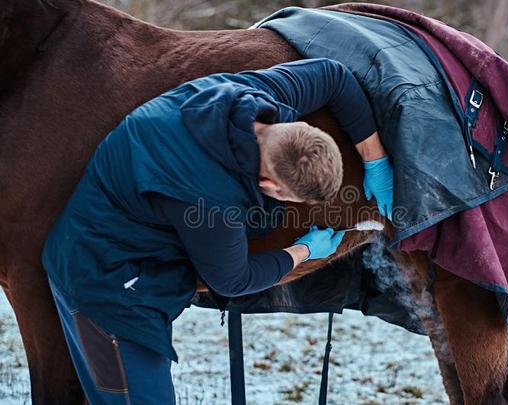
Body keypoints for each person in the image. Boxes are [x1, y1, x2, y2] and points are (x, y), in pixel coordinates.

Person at [42, 57, 393, 404]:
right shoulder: (211, 199)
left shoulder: (255, 99)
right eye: (289, 198)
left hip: (115, 245)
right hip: (106, 287)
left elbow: (333, 75)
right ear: (268, 182)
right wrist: (303, 251)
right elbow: (232, 280)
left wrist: (374, 158)